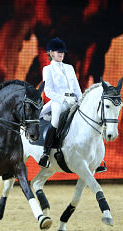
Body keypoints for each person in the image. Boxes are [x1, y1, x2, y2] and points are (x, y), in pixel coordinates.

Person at [38, 37, 82, 168]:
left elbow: (77, 88)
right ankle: (45, 154)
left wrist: (81, 101)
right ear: (51, 53)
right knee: (56, 122)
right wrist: (63, 99)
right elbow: (48, 91)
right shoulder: (48, 69)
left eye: (62, 52)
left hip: (73, 100)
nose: (61, 54)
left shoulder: (70, 68)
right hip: (58, 101)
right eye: (58, 52)